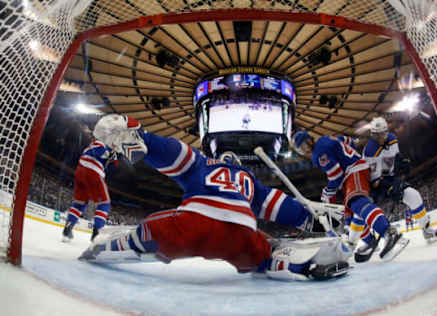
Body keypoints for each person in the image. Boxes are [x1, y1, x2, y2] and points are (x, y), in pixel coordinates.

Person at [79, 114, 351, 281]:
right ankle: (298, 266)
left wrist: (144, 140)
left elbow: (174, 152)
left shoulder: (202, 163)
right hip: (242, 234)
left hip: (196, 223)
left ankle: (109, 248)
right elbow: (283, 208)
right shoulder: (252, 183)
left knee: (150, 228)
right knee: (262, 253)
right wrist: (316, 220)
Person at [291, 131, 409, 263]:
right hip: (352, 173)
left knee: (357, 202)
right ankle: (370, 241)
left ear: (308, 141)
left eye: (302, 146)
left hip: (354, 171)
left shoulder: (318, 153)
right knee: (349, 217)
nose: (303, 150)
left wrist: (327, 193)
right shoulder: (327, 138)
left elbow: (336, 176)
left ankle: (387, 232)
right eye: (300, 148)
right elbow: (348, 141)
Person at [363, 117, 437, 243]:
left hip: (389, 176)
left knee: (414, 195)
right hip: (374, 185)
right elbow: (374, 179)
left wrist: (402, 160)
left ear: (386, 132)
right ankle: (368, 240)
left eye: (382, 134)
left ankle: (426, 229)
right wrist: (389, 187)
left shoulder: (392, 138)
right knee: (366, 210)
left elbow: (396, 156)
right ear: (372, 134)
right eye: (376, 135)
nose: (380, 138)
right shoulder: (370, 151)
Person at [62, 139, 118, 242]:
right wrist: (111, 149)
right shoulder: (102, 142)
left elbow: (112, 165)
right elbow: (99, 152)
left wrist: (112, 157)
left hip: (80, 170)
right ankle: (97, 235)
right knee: (104, 203)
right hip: (93, 171)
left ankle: (68, 228)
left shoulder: (92, 145)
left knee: (80, 203)